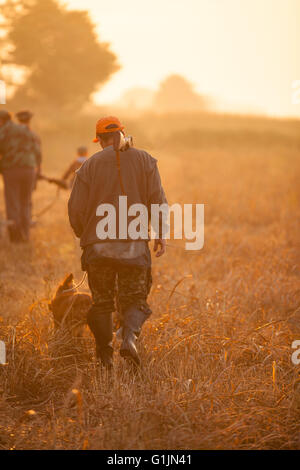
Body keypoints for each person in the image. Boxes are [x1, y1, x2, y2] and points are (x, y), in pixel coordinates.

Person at [68, 116, 167, 369]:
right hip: (134, 244)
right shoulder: (145, 160)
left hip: (98, 246)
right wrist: (160, 232)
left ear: (100, 139)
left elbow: (75, 208)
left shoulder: (89, 165)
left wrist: (84, 235)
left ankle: (104, 355)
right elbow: (157, 198)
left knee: (101, 302)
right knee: (135, 299)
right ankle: (129, 339)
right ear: (123, 133)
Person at [0, 109, 41, 242]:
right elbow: (38, 153)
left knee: (13, 203)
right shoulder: (29, 132)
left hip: (11, 170)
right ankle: (26, 235)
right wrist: (37, 170)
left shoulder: (6, 130)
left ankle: (16, 237)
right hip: (29, 169)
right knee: (26, 202)